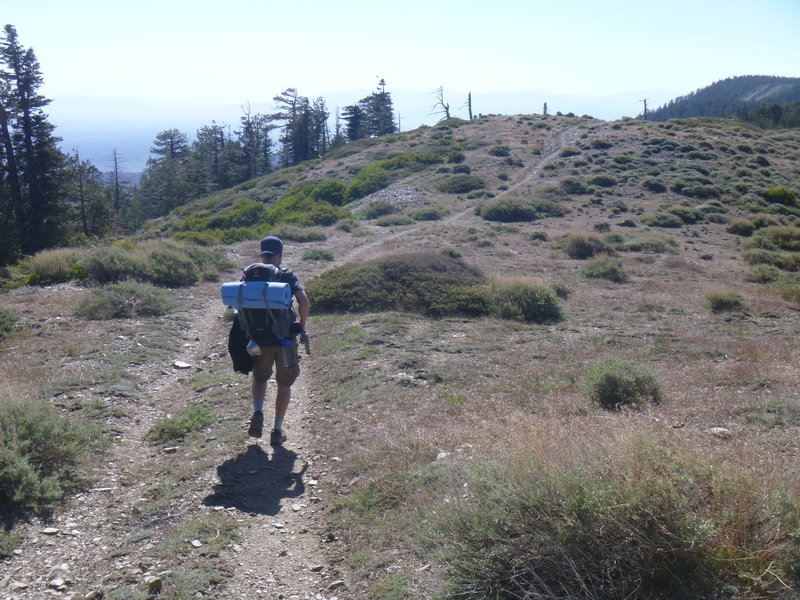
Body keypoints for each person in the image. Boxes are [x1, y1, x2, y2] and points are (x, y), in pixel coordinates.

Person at [244, 235, 310, 445]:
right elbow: (304, 302)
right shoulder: (286, 274)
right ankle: (277, 430)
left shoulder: (249, 274)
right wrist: (301, 325)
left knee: (260, 378)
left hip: (258, 339)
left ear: (262, 254)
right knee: (284, 384)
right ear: (280, 254)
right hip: (285, 341)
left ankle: (258, 412)